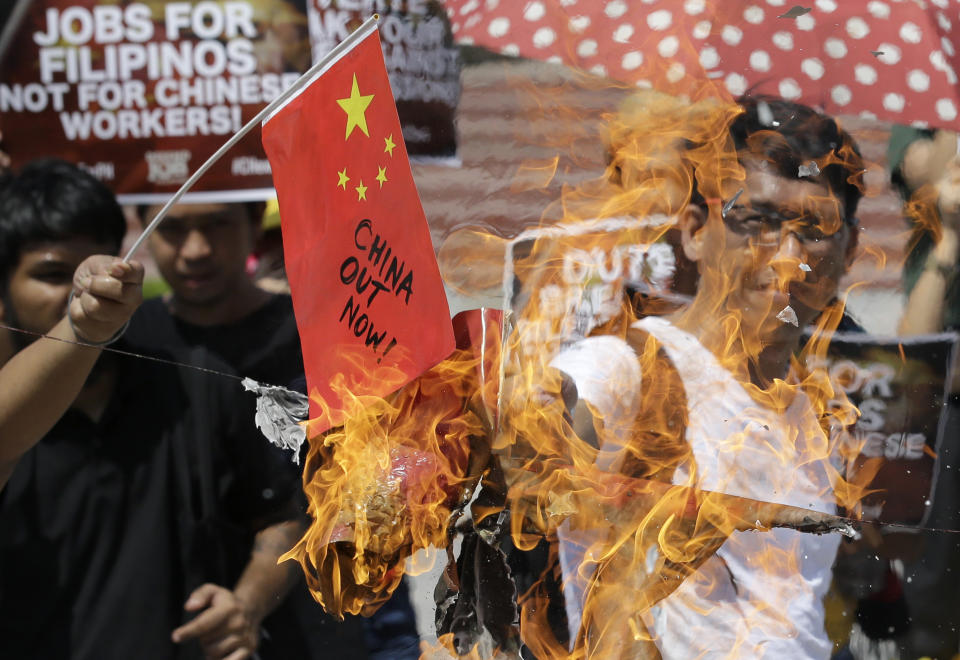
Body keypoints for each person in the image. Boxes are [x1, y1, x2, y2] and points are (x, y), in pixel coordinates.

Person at [548, 96, 864, 658]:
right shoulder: (630, 370)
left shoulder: (821, 407)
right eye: (759, 221)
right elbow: (541, 430)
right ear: (697, 232)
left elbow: (795, 616)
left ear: (851, 250)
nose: (788, 256)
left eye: (815, 229)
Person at [0, 159, 303, 660]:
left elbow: (282, 516)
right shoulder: (17, 420)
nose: (78, 291)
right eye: (52, 275)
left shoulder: (194, 380)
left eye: (91, 270)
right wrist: (81, 330)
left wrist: (246, 604)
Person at [124, 200, 419, 659]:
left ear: (251, 221)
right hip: (181, 629)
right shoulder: (125, 344)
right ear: (142, 227)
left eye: (216, 224)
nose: (195, 250)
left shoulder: (329, 335)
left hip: (336, 625)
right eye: (172, 229)